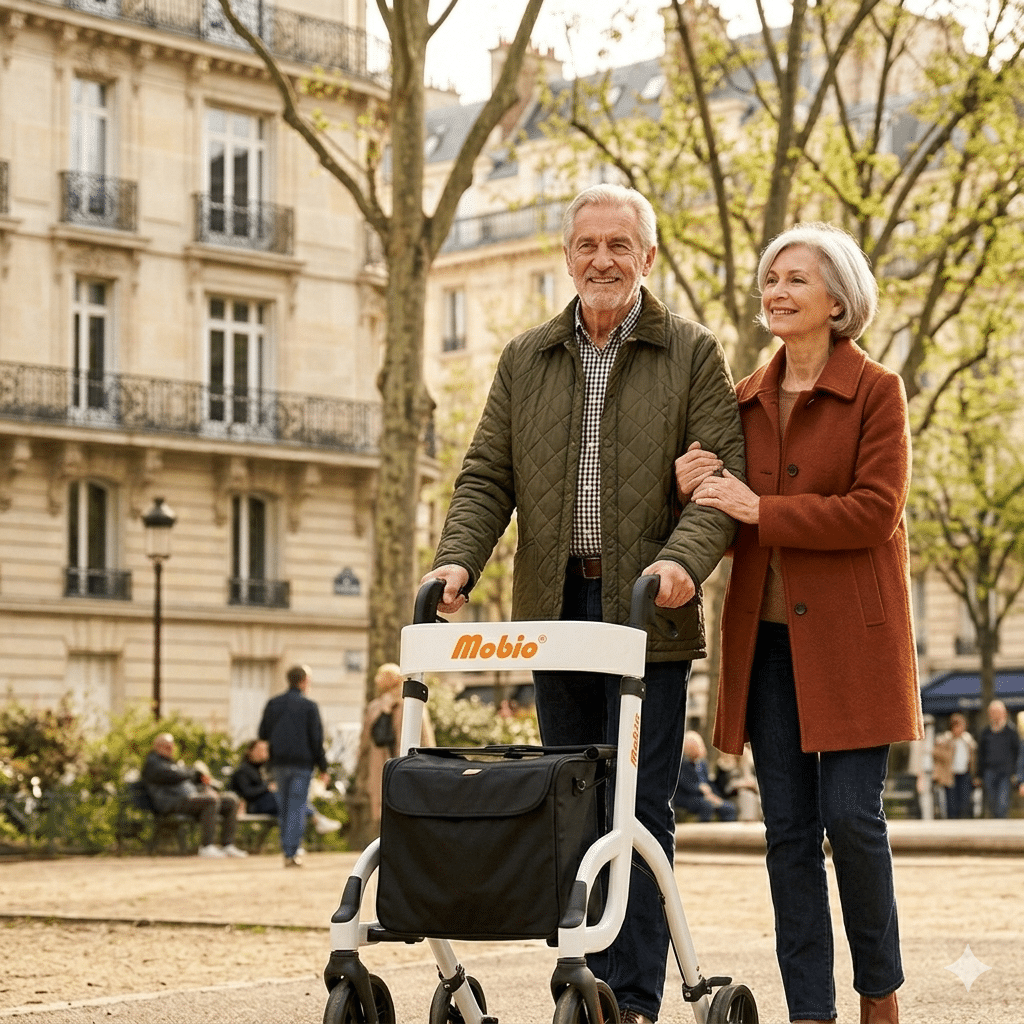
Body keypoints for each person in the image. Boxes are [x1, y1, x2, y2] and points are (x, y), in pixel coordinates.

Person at [421, 183, 745, 1024]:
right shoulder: (525, 356)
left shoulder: (692, 352)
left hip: (645, 610)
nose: (602, 259)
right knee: (570, 801)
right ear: (566, 256)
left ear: (648, 256)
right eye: (587, 245)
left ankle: (631, 998)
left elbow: (719, 485)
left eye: (619, 244)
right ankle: (582, 977)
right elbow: (486, 475)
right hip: (555, 608)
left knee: (637, 805)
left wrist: (683, 563)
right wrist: (457, 560)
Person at [676, 223, 923, 1024]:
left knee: (851, 817)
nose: (775, 292)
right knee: (787, 831)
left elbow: (876, 511)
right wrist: (693, 484)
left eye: (794, 280)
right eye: (770, 279)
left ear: (838, 301)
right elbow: (726, 515)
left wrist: (762, 509)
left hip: (853, 645)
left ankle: (878, 988)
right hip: (768, 647)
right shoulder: (743, 398)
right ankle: (810, 1011)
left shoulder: (878, 391)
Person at [258, 664, 329, 866]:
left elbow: (263, 733)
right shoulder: (309, 706)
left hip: (279, 763)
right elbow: (316, 739)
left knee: (284, 807)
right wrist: (323, 767)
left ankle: (287, 849)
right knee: (297, 806)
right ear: (304, 681)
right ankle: (292, 851)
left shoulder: (273, 704)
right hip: (302, 764)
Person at [141, 733, 248, 858]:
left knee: (231, 801)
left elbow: (185, 779)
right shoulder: (152, 763)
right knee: (210, 801)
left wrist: (204, 789)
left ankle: (228, 845)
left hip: (189, 800)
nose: (170, 749)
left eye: (171, 746)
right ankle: (207, 847)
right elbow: (175, 775)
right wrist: (192, 771)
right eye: (166, 746)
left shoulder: (172, 763)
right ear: (157, 746)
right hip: (171, 803)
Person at [360, 662, 436, 833]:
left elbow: (364, 746)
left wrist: (362, 777)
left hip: (379, 769)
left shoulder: (374, 708)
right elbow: (426, 739)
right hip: (409, 767)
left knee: (382, 816)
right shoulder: (414, 706)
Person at [230, 739, 341, 835]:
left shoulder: (262, 769)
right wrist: (267, 788)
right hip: (254, 806)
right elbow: (247, 793)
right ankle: (317, 819)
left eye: (265, 750)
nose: (262, 753)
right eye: (259, 750)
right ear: (249, 751)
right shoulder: (243, 771)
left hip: (270, 805)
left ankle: (299, 839)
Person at [674, 731, 737, 822]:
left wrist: (715, 796)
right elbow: (684, 784)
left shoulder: (702, 764)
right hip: (688, 798)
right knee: (706, 805)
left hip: (706, 797)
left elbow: (708, 783)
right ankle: (702, 830)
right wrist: (700, 789)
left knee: (729, 808)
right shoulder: (681, 764)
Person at [975, 699, 1020, 819]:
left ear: (1004, 713)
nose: (994, 714)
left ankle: (1002, 824)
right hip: (989, 771)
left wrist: (1016, 772)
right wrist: (978, 774)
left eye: (997, 712)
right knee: (992, 802)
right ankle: (996, 824)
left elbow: (1017, 753)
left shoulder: (1011, 732)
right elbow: (981, 754)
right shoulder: (985, 732)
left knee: (1002, 802)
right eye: (992, 712)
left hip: (1005, 772)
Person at [931, 713, 976, 819]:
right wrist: (946, 750)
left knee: (964, 800)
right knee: (951, 801)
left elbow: (973, 757)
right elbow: (936, 754)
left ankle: (963, 819)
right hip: (950, 774)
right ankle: (952, 820)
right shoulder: (946, 739)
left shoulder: (967, 740)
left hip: (964, 773)